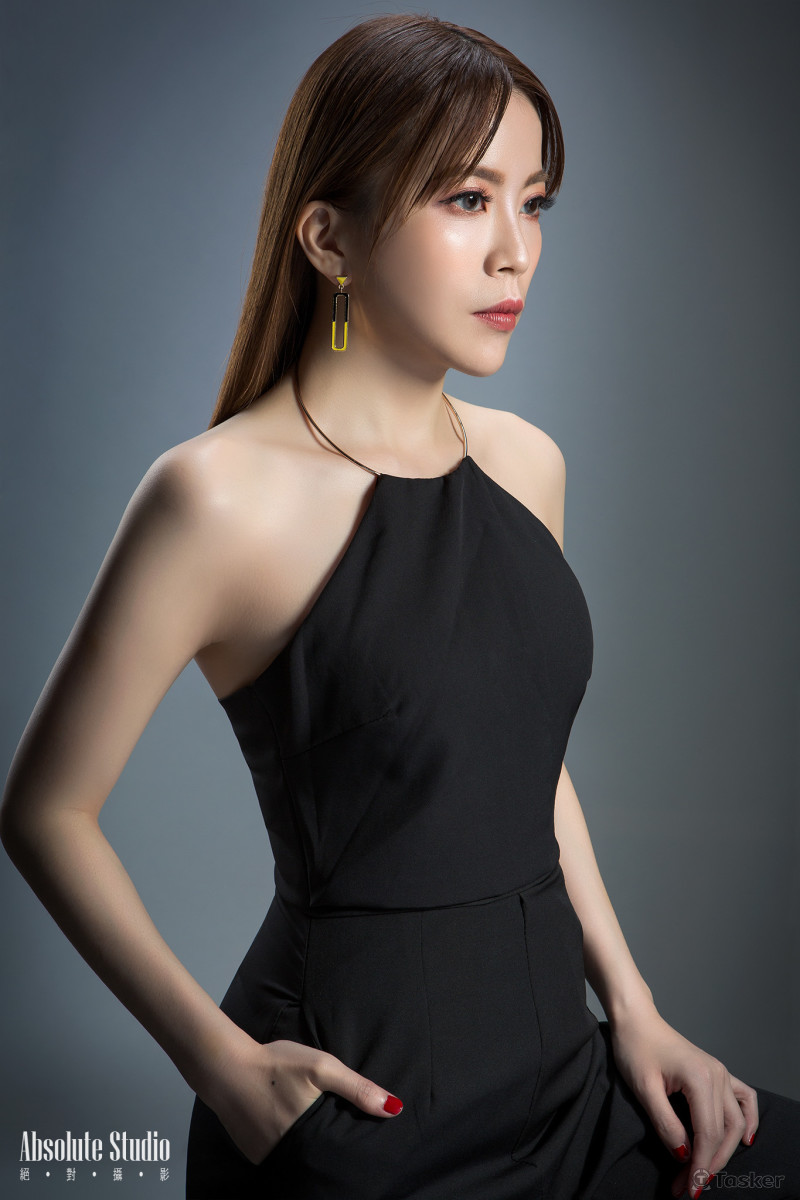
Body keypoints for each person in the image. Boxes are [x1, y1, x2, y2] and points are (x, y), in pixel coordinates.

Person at [2, 12, 799, 1200]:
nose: (516, 252)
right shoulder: (215, 497)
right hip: (362, 1126)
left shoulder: (525, 463)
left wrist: (635, 1012)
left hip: (569, 1083)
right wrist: (220, 1066)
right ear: (328, 236)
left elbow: (518, 765)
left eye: (534, 202)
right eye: (467, 199)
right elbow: (44, 811)